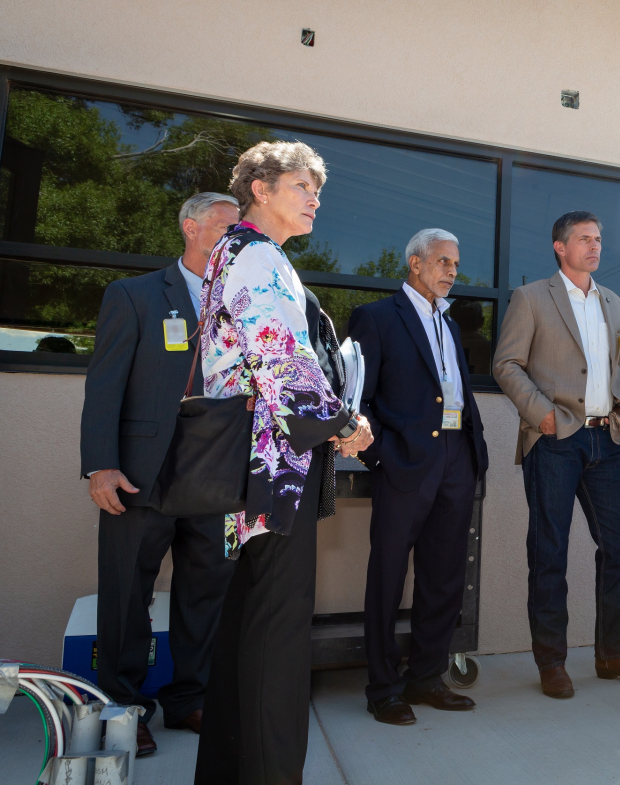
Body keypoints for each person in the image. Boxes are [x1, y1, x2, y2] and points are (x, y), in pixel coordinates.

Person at [193, 141, 373, 785]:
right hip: (273, 470)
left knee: (248, 626)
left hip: (250, 470)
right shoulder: (259, 256)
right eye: (302, 186)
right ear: (261, 189)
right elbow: (282, 363)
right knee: (276, 638)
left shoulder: (231, 253)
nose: (315, 200)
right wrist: (347, 424)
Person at [81, 192, 241, 757]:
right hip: (142, 475)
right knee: (127, 595)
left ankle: (190, 699)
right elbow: (104, 386)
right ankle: (124, 709)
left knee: (207, 593)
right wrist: (101, 465)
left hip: (219, 476)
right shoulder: (135, 295)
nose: (235, 240)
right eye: (226, 229)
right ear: (191, 229)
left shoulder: (245, 304)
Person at [493, 211, 620, 699]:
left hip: (605, 442)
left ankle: (613, 652)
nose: (595, 246)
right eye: (584, 239)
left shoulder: (613, 302)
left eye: (599, 239)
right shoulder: (530, 299)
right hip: (554, 441)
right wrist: (542, 414)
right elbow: (506, 364)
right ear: (559, 247)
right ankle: (551, 661)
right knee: (550, 553)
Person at [347, 228, 489, 725]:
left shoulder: (448, 324)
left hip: (456, 458)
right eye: (443, 262)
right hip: (404, 463)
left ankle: (426, 677)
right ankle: (383, 688)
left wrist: (469, 452)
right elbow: (356, 399)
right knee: (388, 577)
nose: (452, 271)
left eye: (455, 264)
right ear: (414, 263)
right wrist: (382, 455)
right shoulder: (377, 318)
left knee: (445, 577)